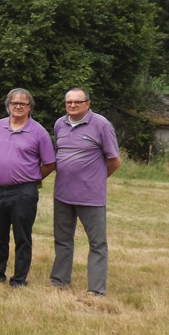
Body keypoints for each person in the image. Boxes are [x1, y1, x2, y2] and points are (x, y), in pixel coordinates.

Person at [50, 87, 121, 296]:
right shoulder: (59, 124)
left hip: (91, 197)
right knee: (63, 240)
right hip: (62, 194)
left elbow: (115, 161)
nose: (72, 105)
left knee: (97, 244)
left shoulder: (101, 125)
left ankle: (96, 290)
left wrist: (95, 179)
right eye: (69, 102)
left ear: (88, 104)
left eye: (77, 102)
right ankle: (59, 281)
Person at [0, 88, 56, 288]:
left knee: (22, 236)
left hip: (24, 192)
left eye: (22, 104)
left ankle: (19, 279)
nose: (17, 107)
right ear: (8, 105)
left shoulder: (38, 132)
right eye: (14, 103)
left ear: (29, 107)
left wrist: (32, 179)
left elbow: (50, 163)